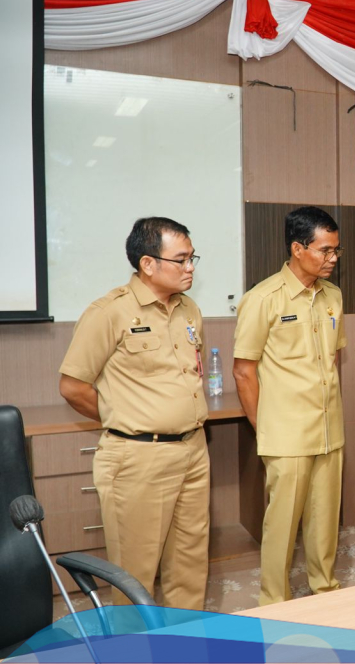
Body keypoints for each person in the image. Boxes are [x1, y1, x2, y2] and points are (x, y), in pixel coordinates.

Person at [58, 217, 209, 609]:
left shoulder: (188, 308)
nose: (190, 267)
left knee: (190, 563)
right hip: (139, 457)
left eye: (193, 258)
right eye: (181, 259)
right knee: (135, 573)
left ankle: (186, 641)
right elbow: (73, 387)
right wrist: (123, 418)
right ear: (148, 263)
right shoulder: (110, 312)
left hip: (193, 449)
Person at [233, 206, 346, 606]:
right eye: (325, 250)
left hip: (329, 429)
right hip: (286, 432)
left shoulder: (332, 295)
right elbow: (244, 371)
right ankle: (275, 602)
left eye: (336, 250)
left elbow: (332, 360)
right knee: (281, 526)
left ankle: (324, 592)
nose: (333, 258)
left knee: (324, 524)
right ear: (298, 249)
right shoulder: (262, 298)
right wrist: (263, 427)